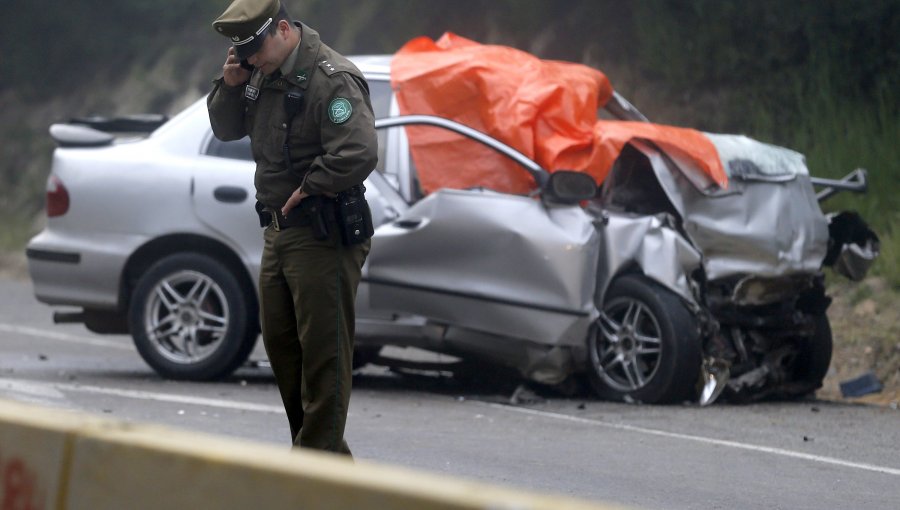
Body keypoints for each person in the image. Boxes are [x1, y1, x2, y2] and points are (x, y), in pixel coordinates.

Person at [207, 0, 377, 456]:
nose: (252, 60)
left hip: (321, 232)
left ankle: (313, 470)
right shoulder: (259, 73)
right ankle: (321, 467)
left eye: (256, 50)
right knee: (284, 353)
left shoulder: (329, 78)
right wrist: (230, 85)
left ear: (282, 30)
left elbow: (358, 152)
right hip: (278, 233)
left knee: (323, 359)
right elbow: (224, 130)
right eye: (244, 55)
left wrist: (309, 187)